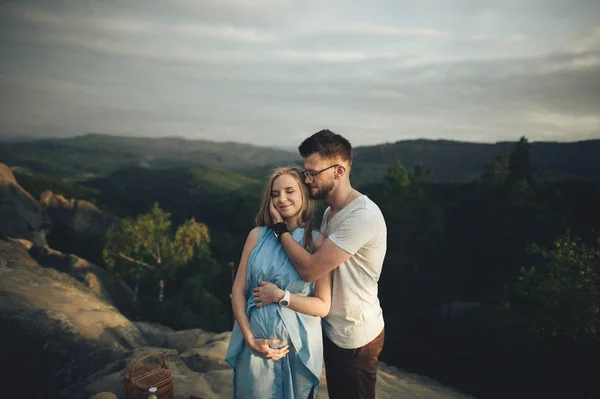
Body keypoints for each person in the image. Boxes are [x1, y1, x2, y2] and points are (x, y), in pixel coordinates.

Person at [259, 129, 387, 399]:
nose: (307, 180)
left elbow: (310, 269)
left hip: (354, 335)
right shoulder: (332, 211)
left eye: (313, 173)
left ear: (339, 171)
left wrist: (281, 230)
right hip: (334, 328)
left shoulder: (361, 217)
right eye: (306, 172)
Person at [225, 166, 332, 399]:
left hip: (298, 349)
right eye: (275, 194)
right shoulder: (257, 235)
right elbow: (238, 290)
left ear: (304, 194)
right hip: (256, 348)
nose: (282, 199)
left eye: (289, 191)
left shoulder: (317, 242)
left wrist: (281, 296)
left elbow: (323, 306)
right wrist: (250, 338)